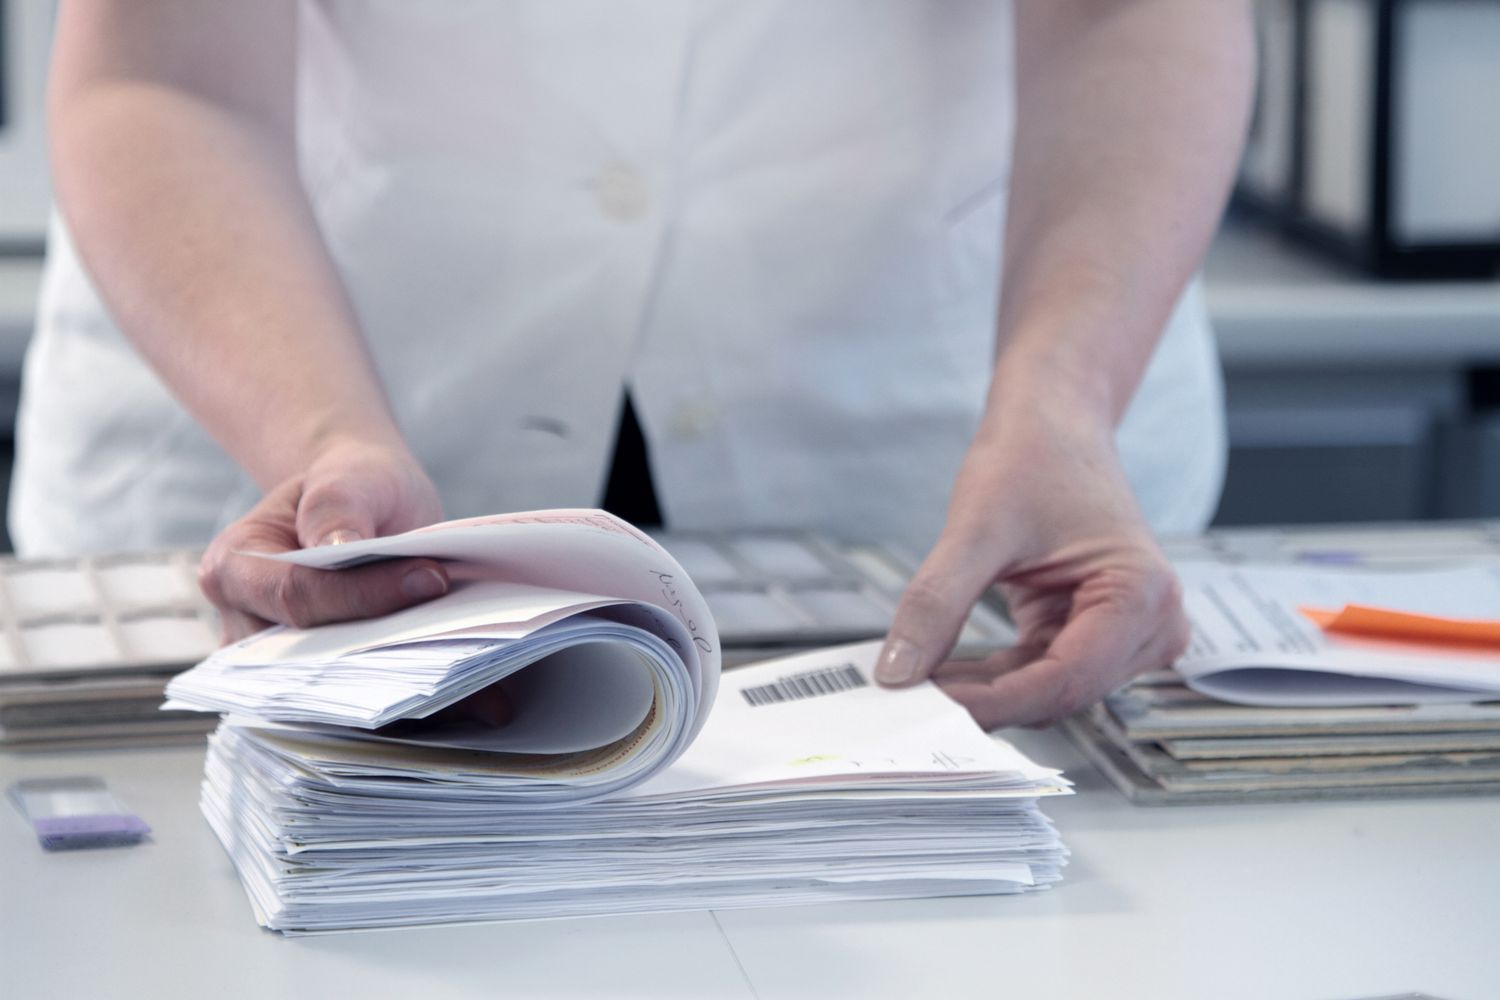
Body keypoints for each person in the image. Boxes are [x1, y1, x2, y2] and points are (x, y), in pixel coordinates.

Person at [12, 1, 1253, 729]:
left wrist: (1067, 394)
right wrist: (319, 438)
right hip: (293, 358)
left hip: (948, 415)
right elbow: (165, 73)